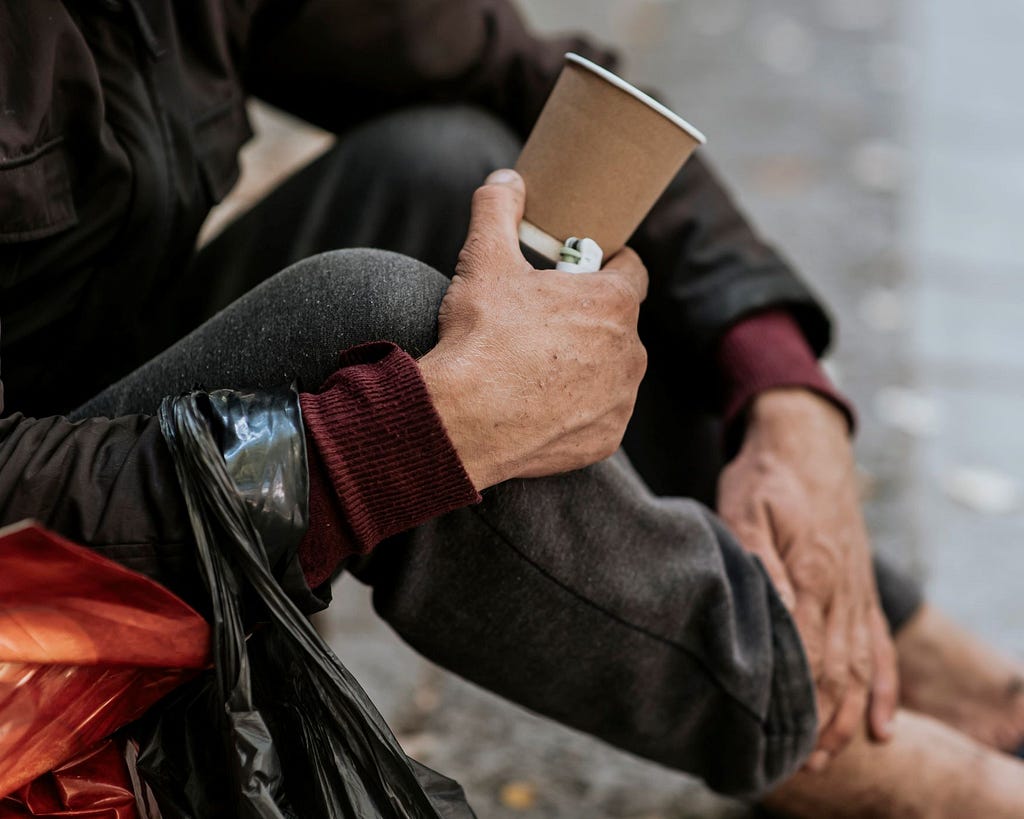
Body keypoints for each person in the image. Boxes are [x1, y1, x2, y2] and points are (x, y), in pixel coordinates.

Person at [0, 1, 1022, 815]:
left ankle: (879, 635)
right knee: (378, 321)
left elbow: (530, 82)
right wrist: (383, 447)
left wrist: (785, 387)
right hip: (23, 602)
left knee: (456, 168)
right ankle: (824, 727)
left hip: (82, 421)